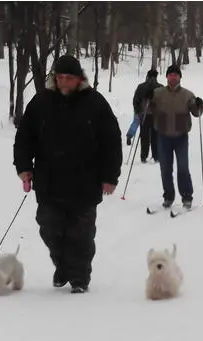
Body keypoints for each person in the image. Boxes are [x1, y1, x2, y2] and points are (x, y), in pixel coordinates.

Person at [13, 55, 122, 293]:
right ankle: (62, 265)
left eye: (68, 78)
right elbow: (24, 137)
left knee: (81, 234)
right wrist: (23, 167)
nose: (63, 82)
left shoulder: (95, 103)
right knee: (49, 227)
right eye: (59, 77)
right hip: (49, 181)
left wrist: (110, 176)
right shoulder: (41, 102)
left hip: (85, 181)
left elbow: (111, 141)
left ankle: (80, 277)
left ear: (79, 79)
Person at [146, 64, 203, 210]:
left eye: (175, 75)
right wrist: (146, 99)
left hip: (181, 137)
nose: (173, 77)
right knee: (165, 169)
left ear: (180, 77)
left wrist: (199, 105)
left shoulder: (187, 94)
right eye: (170, 75)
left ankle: (186, 197)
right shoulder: (158, 93)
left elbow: (196, 113)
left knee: (183, 168)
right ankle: (168, 196)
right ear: (166, 77)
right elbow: (147, 110)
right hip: (163, 136)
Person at [131, 69, 163, 162]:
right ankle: (156, 156)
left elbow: (135, 100)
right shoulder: (160, 87)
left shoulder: (141, 87)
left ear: (147, 76)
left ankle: (143, 156)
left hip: (144, 114)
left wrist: (137, 111)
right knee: (155, 136)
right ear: (156, 77)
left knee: (144, 136)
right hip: (156, 115)